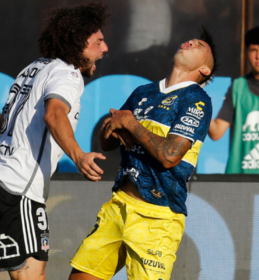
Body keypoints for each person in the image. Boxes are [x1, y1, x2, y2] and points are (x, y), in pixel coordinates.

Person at [0, 3, 109, 280]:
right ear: (77, 44)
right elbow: (54, 114)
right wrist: (79, 156)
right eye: (99, 42)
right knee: (31, 275)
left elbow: (3, 124)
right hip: (17, 189)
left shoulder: (32, 68)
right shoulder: (68, 73)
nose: (105, 49)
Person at [68, 28, 217, 280]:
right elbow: (108, 142)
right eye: (190, 39)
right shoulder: (142, 93)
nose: (190, 41)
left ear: (205, 70)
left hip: (157, 216)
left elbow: (170, 155)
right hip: (118, 207)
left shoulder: (196, 99)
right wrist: (113, 125)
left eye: (200, 45)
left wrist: (130, 124)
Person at [209, 25, 259, 174]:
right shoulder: (238, 87)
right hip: (240, 180)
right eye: (253, 50)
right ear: (246, 52)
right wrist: (199, 109)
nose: (258, 56)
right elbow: (216, 133)